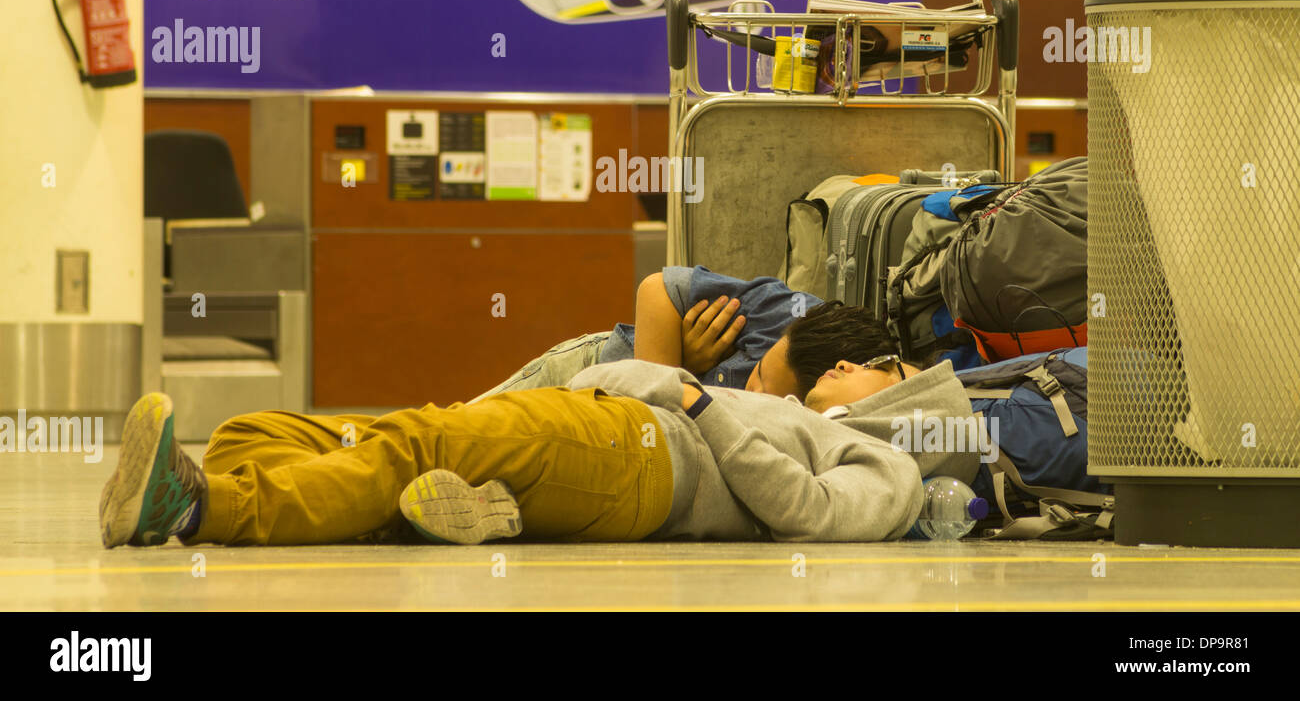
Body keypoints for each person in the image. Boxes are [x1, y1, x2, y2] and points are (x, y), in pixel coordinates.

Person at [99, 351, 981, 548]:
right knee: (273, 429)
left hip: (644, 455)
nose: (853, 362)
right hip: (598, 429)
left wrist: (699, 401)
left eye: (883, 366)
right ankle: (427, 515)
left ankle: (203, 506)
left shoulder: (889, 464)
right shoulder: (785, 406)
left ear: (907, 405)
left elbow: (810, 517)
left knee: (416, 441)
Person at [472, 265, 899, 404]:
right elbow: (657, 289)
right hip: (594, 368)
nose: (752, 386)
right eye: (761, 372)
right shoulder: (780, 313)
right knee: (459, 430)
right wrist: (665, 386)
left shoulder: (844, 397)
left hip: (604, 425)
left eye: (767, 388)